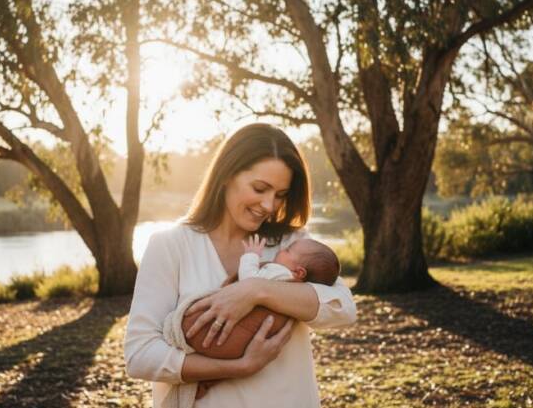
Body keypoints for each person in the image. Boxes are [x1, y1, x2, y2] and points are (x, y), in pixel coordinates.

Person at [124, 123, 358, 408]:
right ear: (226, 176)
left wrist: (255, 290)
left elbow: (342, 309)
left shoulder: (292, 245)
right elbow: (140, 355)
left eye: (281, 194)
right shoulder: (171, 245)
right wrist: (239, 366)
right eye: (260, 188)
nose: (269, 205)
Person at [235, 233, 340, 285]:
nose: (282, 249)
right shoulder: (289, 283)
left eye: (288, 250)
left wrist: (251, 255)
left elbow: (248, 281)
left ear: (299, 272)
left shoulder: (282, 274)